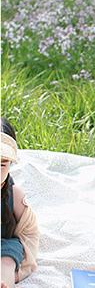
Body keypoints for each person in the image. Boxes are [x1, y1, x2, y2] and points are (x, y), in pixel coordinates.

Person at [1, 118, 39, 288]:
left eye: (2, 164)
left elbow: (30, 234)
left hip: (2, 246)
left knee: (8, 260)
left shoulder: (14, 196)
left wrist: (19, 271)